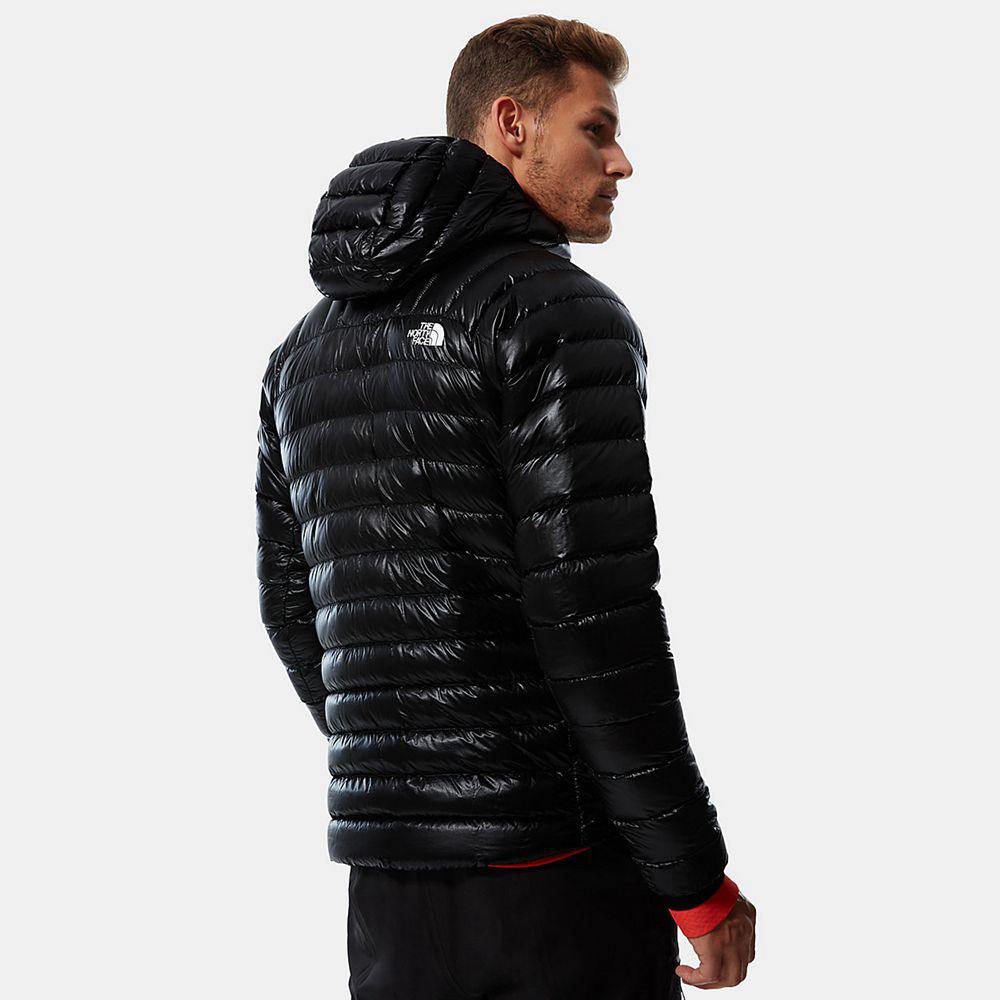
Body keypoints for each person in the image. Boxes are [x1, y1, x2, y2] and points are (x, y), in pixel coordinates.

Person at [255, 14, 756, 998]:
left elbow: (288, 603)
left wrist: (411, 771)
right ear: (512, 123)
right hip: (556, 879)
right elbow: (597, 625)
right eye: (596, 130)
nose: (621, 163)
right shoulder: (557, 314)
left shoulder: (300, 353)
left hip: (388, 889)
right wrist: (696, 884)